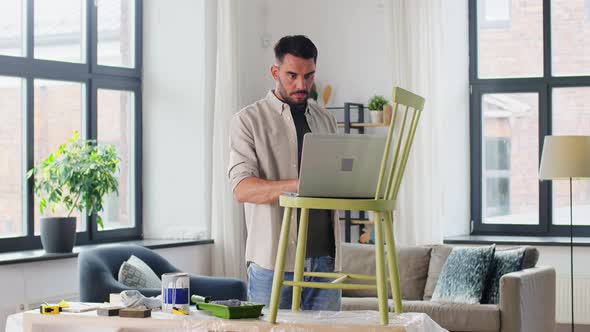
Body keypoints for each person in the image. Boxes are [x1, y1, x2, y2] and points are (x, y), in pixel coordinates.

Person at [227, 35, 341, 311]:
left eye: (309, 76)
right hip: (273, 261)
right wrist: (299, 185)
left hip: (325, 260)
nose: (302, 85)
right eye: (292, 75)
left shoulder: (326, 120)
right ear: (275, 72)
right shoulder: (247, 121)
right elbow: (242, 189)